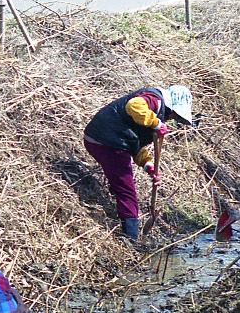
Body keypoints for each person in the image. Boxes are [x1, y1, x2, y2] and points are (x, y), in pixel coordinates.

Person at [83, 85, 194, 240]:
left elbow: (134, 143)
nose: (174, 118)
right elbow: (133, 105)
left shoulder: (155, 112)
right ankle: (131, 239)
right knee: (127, 192)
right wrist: (156, 124)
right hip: (107, 141)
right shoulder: (155, 101)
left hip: (103, 140)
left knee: (120, 182)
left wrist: (149, 165)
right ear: (172, 106)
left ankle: (120, 211)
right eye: (176, 115)